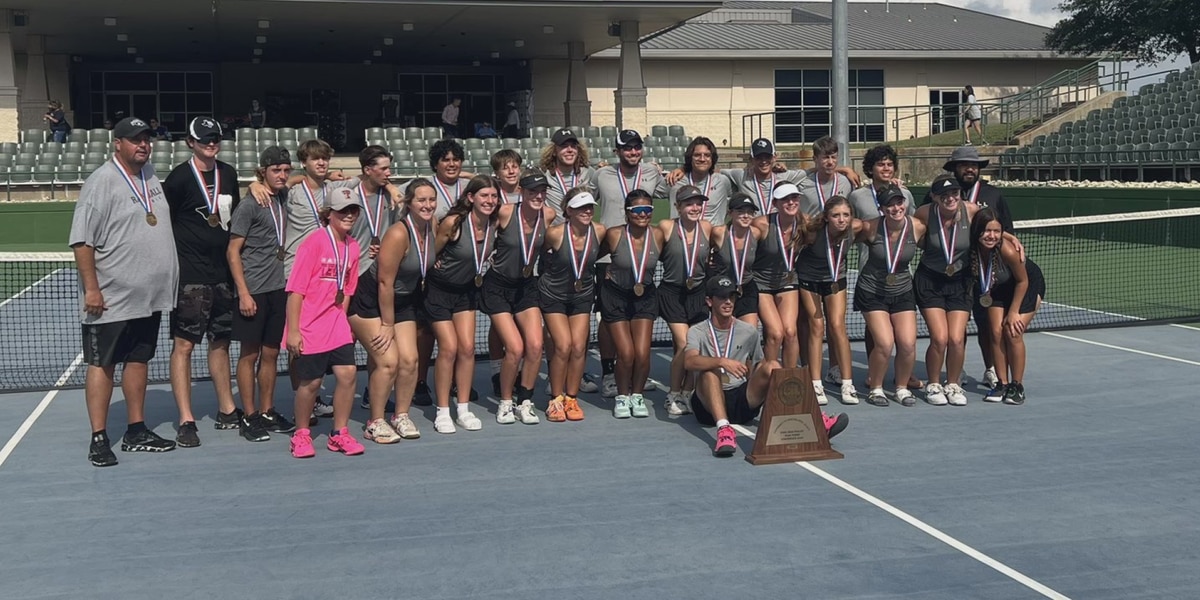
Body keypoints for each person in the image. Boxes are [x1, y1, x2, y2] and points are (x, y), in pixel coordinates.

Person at [70, 116, 180, 467]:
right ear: (117, 143)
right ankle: (99, 438)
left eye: (146, 138)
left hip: (148, 298)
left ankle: (136, 429)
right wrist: (92, 289)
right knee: (103, 364)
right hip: (111, 299)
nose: (143, 144)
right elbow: (82, 241)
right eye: (134, 139)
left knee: (138, 360)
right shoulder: (101, 182)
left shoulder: (149, 176)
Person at [683, 276, 848, 458]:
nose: (728, 302)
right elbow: (689, 362)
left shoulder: (748, 331)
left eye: (731, 297)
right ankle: (724, 430)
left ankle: (815, 419)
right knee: (709, 372)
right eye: (722, 297)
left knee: (772, 365)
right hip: (707, 407)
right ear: (709, 301)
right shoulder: (697, 331)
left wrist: (760, 378)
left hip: (741, 401)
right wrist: (721, 361)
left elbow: (756, 366)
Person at [162, 116, 241, 447]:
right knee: (184, 345)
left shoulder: (230, 174)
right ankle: (186, 419)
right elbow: (163, 223)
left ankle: (227, 409)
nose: (211, 143)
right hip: (190, 278)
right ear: (190, 142)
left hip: (222, 276)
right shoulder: (179, 179)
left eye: (215, 138)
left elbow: (232, 219)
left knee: (221, 342)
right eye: (205, 139)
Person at [347, 179, 436, 442]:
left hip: (404, 300)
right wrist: (387, 323)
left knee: (410, 360)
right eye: (421, 200)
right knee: (388, 362)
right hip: (371, 300)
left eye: (431, 199)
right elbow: (384, 283)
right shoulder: (398, 233)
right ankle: (375, 422)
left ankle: (401, 415)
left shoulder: (433, 227)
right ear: (409, 203)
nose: (427, 205)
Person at [924, 145, 1017, 390]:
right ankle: (957, 370)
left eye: (974, 165)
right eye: (964, 165)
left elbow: (1004, 228)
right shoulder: (938, 193)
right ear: (954, 168)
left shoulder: (993, 194)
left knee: (988, 325)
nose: (970, 169)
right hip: (955, 275)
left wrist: (1011, 239)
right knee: (957, 329)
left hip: (986, 273)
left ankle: (992, 370)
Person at [285, 187, 364, 458]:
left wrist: (343, 322)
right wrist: (293, 331)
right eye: (343, 210)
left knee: (348, 374)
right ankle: (301, 434)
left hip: (335, 321)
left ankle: (339, 433)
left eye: (353, 210)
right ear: (329, 214)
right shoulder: (314, 242)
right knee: (311, 383)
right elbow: (296, 291)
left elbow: (347, 290)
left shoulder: (353, 247)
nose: (349, 215)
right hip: (308, 324)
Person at [226, 146, 297, 442]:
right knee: (249, 355)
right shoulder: (250, 204)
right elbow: (232, 252)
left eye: (285, 170)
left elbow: (300, 180)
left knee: (271, 354)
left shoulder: (281, 196)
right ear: (262, 172)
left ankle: (267, 410)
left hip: (277, 290)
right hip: (253, 291)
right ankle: (250, 416)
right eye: (275, 170)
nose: (282, 175)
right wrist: (243, 293)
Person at [593, 129, 669, 398]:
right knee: (608, 316)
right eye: (627, 148)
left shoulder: (651, 173)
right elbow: (582, 198)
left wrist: (677, 171)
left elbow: (671, 188)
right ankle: (609, 373)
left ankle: (634, 373)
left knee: (636, 327)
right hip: (610, 254)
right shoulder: (600, 174)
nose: (633, 152)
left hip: (641, 251)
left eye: (637, 147)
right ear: (617, 151)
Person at [426, 175, 499, 433]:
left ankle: (463, 409)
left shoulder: (494, 224)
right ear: (470, 198)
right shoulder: (453, 223)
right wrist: (432, 263)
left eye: (493, 196)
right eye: (484, 195)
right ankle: (443, 411)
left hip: (467, 291)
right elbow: (429, 253)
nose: (489, 201)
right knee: (449, 347)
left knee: (467, 348)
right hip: (438, 291)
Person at [847, 145, 921, 392]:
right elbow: (848, 225)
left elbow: (911, 224)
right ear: (870, 169)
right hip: (871, 272)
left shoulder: (905, 195)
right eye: (881, 164)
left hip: (901, 273)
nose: (886, 168)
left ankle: (904, 376)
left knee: (905, 338)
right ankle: (873, 375)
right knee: (878, 335)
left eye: (890, 164)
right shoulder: (858, 196)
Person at [482, 171, 555, 424]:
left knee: (535, 346)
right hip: (497, 287)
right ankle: (505, 402)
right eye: (533, 191)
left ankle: (525, 400)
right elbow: (479, 230)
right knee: (515, 348)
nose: (538, 196)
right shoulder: (505, 212)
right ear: (521, 192)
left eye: (542, 191)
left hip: (526, 286)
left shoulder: (548, 215)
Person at [345, 146, 404, 443]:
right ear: (367, 169)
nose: (389, 173)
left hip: (377, 280)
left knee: (376, 353)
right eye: (383, 168)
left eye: (390, 168)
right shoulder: (347, 193)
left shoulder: (390, 195)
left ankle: (373, 399)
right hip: (347, 283)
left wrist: (392, 186)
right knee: (342, 352)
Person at [913, 174, 982, 406]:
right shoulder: (924, 213)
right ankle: (933, 384)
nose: (950, 198)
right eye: (943, 195)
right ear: (934, 197)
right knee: (940, 338)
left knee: (956, 338)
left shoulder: (972, 211)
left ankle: (952, 384)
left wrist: (1012, 240)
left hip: (960, 283)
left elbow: (993, 231)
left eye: (954, 193)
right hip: (930, 281)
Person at [539, 189, 605, 422]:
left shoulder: (599, 231)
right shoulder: (555, 234)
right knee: (563, 345)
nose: (587, 211)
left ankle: (571, 398)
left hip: (582, 295)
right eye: (580, 207)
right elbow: (540, 255)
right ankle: (555, 400)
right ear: (568, 210)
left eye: (589, 207)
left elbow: (600, 252)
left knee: (578, 347)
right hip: (553, 295)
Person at [598, 189, 663, 419]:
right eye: (637, 210)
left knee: (643, 353)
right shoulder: (614, 235)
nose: (643, 214)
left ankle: (637, 395)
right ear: (627, 213)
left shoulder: (658, 235)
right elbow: (591, 254)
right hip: (615, 296)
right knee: (625, 353)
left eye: (648, 210)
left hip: (644, 297)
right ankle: (622, 397)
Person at [794, 195, 865, 405]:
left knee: (838, 326)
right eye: (836, 215)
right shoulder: (813, 233)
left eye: (846, 215)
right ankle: (815, 383)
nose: (841, 220)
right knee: (817, 326)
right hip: (809, 279)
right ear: (826, 217)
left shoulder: (857, 228)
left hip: (836, 279)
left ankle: (847, 383)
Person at [970, 208, 1043, 405]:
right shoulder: (971, 249)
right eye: (986, 231)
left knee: (1012, 332)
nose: (991, 236)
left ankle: (1016, 385)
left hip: (1025, 286)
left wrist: (1013, 312)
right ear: (977, 230)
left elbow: (1023, 281)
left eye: (996, 231)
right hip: (996, 288)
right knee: (994, 332)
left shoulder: (1007, 250)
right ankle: (1001, 383)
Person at [657, 185, 712, 416]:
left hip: (698, 294)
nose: (695, 208)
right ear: (678, 206)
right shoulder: (666, 227)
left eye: (698, 203)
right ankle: (672, 394)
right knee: (683, 343)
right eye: (689, 203)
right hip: (672, 293)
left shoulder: (708, 228)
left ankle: (688, 393)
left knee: (696, 346)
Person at [751, 183, 805, 373]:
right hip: (760, 283)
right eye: (785, 199)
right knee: (775, 333)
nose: (791, 202)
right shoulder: (761, 224)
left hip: (788, 281)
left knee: (790, 332)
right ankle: (768, 378)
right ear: (775, 203)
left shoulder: (805, 223)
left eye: (794, 198)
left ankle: (788, 381)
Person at [709, 192, 765, 327]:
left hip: (746, 287)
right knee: (725, 334)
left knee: (750, 332)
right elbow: (706, 251)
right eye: (740, 211)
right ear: (730, 213)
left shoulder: (756, 233)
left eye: (750, 212)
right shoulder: (719, 233)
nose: (746, 216)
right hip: (723, 289)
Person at [669, 137, 733, 225]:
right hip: (681, 236)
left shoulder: (723, 181)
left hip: (712, 236)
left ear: (712, 159)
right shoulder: (674, 180)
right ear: (690, 158)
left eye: (707, 155)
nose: (702, 159)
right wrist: (654, 166)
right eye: (697, 155)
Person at [539, 128, 595, 220]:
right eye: (564, 146)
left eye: (573, 146)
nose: (570, 150)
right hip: (554, 232)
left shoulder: (589, 172)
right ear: (554, 151)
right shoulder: (544, 174)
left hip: (581, 232)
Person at [799, 136, 855, 217]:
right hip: (813, 228)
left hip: (838, 228)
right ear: (815, 159)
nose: (830, 162)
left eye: (833, 157)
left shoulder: (846, 182)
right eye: (825, 157)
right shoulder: (803, 183)